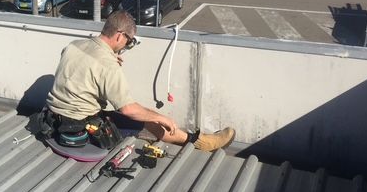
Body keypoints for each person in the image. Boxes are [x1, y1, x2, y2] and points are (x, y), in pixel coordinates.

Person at [45, 10, 235, 151]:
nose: (128, 45)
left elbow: (82, 74)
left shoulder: (73, 46)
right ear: (120, 35)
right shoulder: (107, 66)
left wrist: (109, 60)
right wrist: (161, 117)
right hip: (82, 123)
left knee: (144, 114)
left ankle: (194, 138)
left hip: (54, 117)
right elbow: (128, 109)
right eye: (129, 41)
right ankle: (199, 142)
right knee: (149, 119)